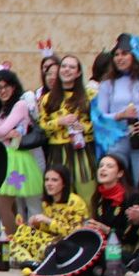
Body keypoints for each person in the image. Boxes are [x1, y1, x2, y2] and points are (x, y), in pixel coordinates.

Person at [0, 68, 44, 237]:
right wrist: (2, 135)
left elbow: (2, 130)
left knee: (23, 207)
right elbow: (2, 132)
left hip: (18, 161)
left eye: (6, 86)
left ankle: (26, 243)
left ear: (14, 87)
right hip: (7, 160)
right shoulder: (2, 109)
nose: (2, 91)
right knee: (12, 208)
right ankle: (18, 243)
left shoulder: (20, 105)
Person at [97, 33, 139, 173]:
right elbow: (100, 116)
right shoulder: (107, 83)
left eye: (124, 54)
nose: (120, 58)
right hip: (116, 141)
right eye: (116, 54)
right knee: (115, 179)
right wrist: (120, 115)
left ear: (134, 55)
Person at [3, 166, 85, 269]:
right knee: (10, 241)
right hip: (47, 241)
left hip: (65, 245)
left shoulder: (75, 201)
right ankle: (30, 262)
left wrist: (49, 221)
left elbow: (76, 232)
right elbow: (46, 231)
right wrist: (38, 224)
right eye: (46, 180)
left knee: (46, 246)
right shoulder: (47, 202)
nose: (49, 184)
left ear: (64, 183)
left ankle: (28, 261)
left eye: (54, 180)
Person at [41, 54, 97, 204]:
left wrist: (84, 127)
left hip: (82, 152)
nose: (67, 70)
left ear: (78, 73)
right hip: (57, 152)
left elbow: (100, 123)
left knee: (87, 193)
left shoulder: (90, 96)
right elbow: (42, 126)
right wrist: (59, 122)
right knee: (60, 196)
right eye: (64, 66)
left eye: (72, 67)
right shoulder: (47, 98)